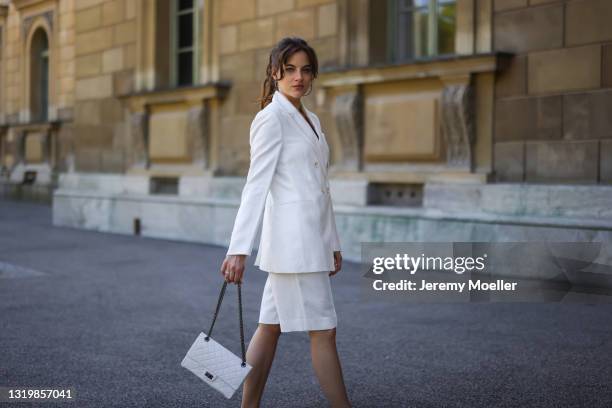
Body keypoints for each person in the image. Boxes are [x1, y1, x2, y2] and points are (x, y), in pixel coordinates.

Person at [220, 37, 352, 408]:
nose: (299, 77)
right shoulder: (270, 119)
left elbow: (319, 188)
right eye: (290, 69)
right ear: (274, 71)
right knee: (324, 331)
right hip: (295, 247)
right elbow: (256, 186)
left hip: (311, 240)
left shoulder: (312, 119)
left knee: (270, 328)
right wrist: (238, 250)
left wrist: (333, 241)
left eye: (306, 69)